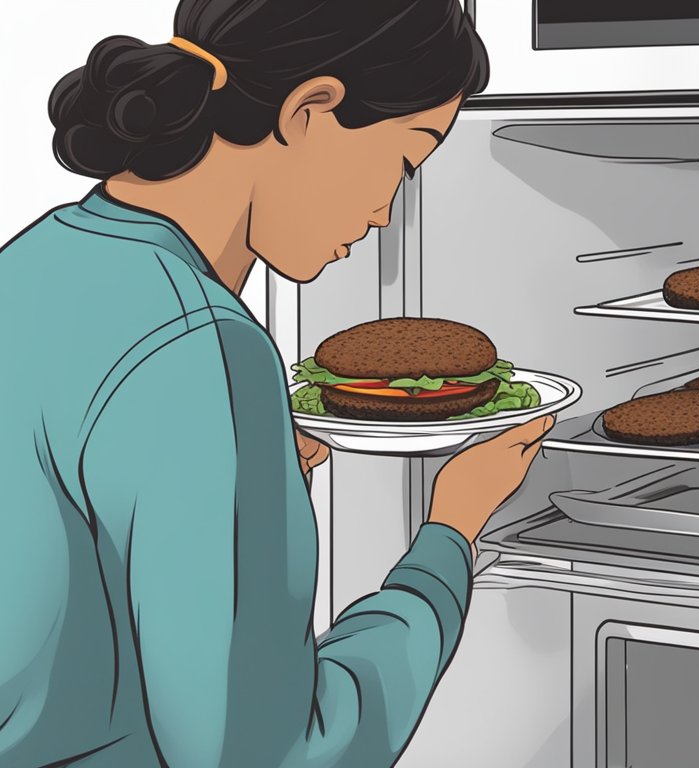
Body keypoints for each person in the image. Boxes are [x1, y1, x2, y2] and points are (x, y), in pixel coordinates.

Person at [0, 1, 548, 765]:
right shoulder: (203, 345)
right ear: (310, 110)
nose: (388, 213)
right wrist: (449, 535)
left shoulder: (30, 264)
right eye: (403, 160)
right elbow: (270, 753)